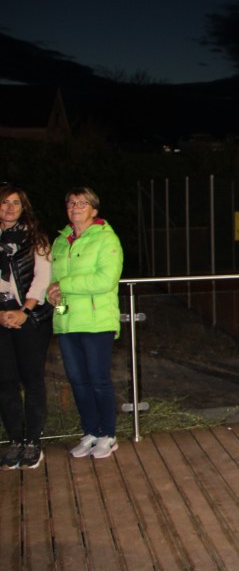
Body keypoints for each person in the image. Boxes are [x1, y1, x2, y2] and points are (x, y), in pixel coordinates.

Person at [47, 187, 124, 460]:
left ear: (94, 209)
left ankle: (108, 435)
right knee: (78, 381)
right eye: (71, 203)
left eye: (82, 203)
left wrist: (64, 285)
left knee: (98, 380)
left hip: (96, 322)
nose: (75, 207)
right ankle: (91, 431)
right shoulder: (60, 241)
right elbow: (51, 280)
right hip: (67, 321)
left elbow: (105, 280)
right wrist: (50, 293)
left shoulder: (106, 238)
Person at [0, 185, 54, 470]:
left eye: (15, 203)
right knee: (5, 381)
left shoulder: (36, 239)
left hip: (30, 317)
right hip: (0, 316)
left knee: (32, 380)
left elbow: (42, 279)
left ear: (23, 208)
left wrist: (23, 312)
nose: (10, 208)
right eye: (4, 202)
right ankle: (15, 440)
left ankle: (33, 440)